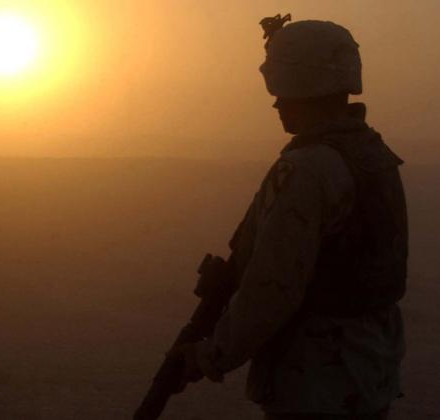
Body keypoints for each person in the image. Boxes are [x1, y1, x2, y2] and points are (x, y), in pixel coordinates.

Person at [179, 17, 408, 420]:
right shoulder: (373, 155)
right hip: (367, 373)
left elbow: (273, 286)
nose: (276, 103)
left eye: (282, 90)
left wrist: (211, 355)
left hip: (316, 381)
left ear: (303, 85)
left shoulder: (308, 169)